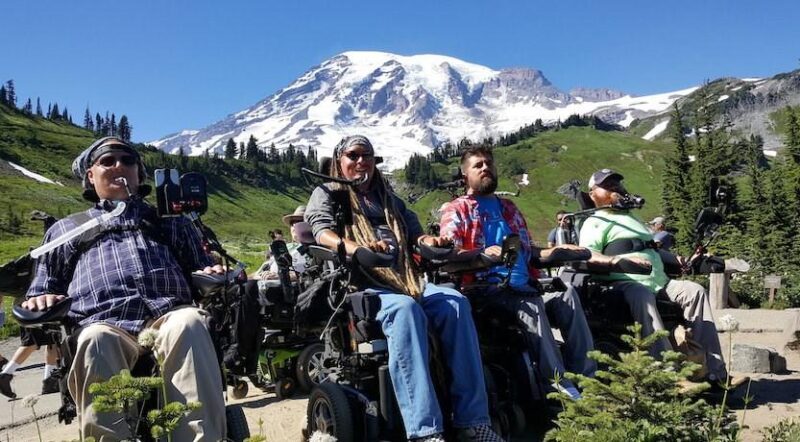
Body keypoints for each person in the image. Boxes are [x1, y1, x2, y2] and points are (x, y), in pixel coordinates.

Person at [21, 136, 227, 440]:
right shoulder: (65, 229)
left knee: (190, 322)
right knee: (95, 339)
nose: (119, 165)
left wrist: (210, 270)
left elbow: (200, 266)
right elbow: (41, 286)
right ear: (90, 176)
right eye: (107, 160)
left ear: (139, 174)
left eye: (128, 160)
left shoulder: (170, 221)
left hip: (167, 317)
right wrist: (41, 297)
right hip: (103, 322)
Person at [305, 135, 502, 442]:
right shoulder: (329, 192)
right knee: (405, 310)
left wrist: (430, 242)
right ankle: (426, 431)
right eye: (353, 155)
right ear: (339, 161)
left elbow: (415, 234)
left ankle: (472, 422)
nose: (360, 161)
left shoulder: (389, 198)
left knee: (455, 303)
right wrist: (356, 248)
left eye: (366, 155)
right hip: (363, 287)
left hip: (407, 280)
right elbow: (320, 231)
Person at [439, 145, 595, 401]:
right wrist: (481, 256)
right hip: (485, 290)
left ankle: (587, 377)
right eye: (478, 165)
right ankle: (557, 389)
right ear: (465, 174)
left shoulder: (509, 208)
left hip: (525, 285)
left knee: (566, 295)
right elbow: (448, 258)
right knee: (531, 304)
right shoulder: (457, 210)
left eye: (489, 163)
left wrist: (558, 251)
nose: (486, 167)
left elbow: (530, 253)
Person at [578, 168, 745, 387]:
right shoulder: (594, 222)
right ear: (593, 194)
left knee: (694, 291)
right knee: (642, 295)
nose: (615, 189)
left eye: (616, 185)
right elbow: (587, 256)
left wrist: (680, 260)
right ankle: (670, 376)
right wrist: (618, 262)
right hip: (623, 283)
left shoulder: (632, 218)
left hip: (659, 281)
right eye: (607, 186)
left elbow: (651, 249)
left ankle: (714, 372)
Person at [255, 205, 314, 280]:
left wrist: (282, 276)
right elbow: (266, 266)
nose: (294, 226)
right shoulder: (286, 246)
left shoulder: (316, 249)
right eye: (292, 223)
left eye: (300, 222)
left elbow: (313, 273)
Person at [0, 326, 60, 398]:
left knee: (52, 339)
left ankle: (50, 382)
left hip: (43, 315)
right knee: (31, 342)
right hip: (35, 315)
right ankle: (4, 376)